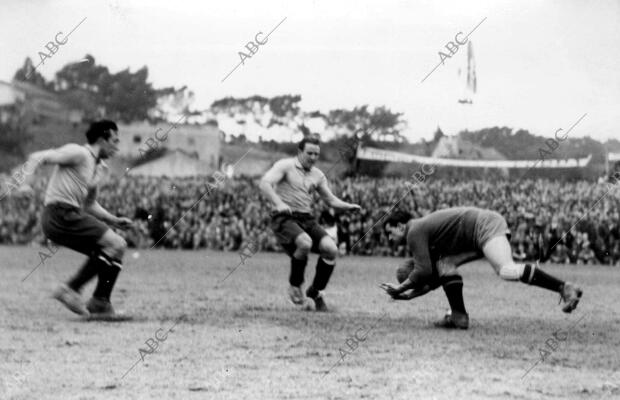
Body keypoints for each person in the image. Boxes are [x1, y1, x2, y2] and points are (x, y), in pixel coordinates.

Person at [379, 207, 583, 329]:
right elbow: (432, 279)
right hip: (476, 234)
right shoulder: (421, 230)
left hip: (483, 226)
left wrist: (400, 288)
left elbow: (422, 272)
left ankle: (563, 287)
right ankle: (458, 316)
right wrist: (408, 296)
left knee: (506, 270)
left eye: (390, 232)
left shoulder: (413, 230)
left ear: (399, 225)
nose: (390, 238)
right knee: (445, 265)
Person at [20, 120, 133, 319]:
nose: (117, 146)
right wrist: (26, 184)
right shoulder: (79, 153)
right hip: (59, 213)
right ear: (102, 139)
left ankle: (100, 303)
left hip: (69, 214)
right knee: (116, 244)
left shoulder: (99, 168)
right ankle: (70, 289)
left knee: (113, 249)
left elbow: (89, 204)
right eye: (114, 140)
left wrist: (113, 220)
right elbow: (37, 157)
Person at [259, 134, 361, 311]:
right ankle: (295, 285)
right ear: (300, 152)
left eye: (316, 154)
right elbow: (265, 183)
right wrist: (279, 203)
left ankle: (315, 291)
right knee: (304, 242)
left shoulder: (318, 175)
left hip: (307, 218)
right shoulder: (285, 166)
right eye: (309, 153)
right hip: (285, 217)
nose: (313, 158)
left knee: (331, 249)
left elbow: (330, 200)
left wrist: (348, 206)